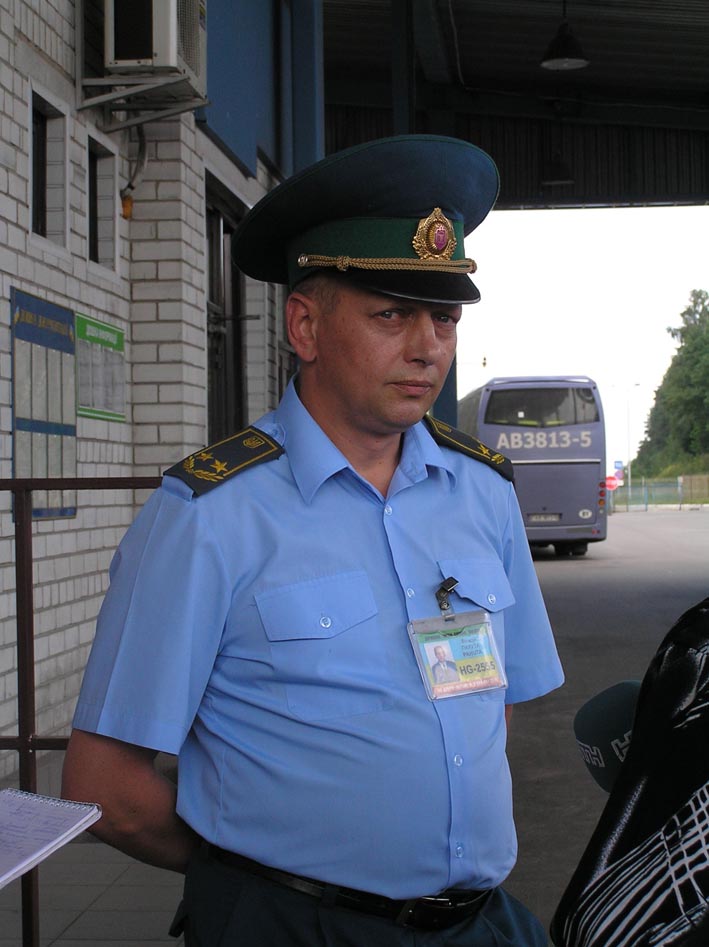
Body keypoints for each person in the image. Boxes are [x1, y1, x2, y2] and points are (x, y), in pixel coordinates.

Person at [62, 134, 564, 946]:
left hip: (477, 923)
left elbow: (488, 706)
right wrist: (253, 882)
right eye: (390, 314)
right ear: (303, 324)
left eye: (442, 317)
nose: (426, 346)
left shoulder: (482, 491)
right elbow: (106, 788)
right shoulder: (210, 514)